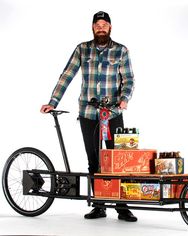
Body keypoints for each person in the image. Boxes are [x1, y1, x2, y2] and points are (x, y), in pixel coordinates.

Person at [40, 11, 137, 222]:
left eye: (104, 24)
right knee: (94, 160)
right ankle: (99, 205)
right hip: (88, 113)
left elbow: (128, 79)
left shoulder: (121, 51)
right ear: (92, 28)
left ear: (110, 27)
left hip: (113, 113)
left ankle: (122, 207)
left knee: (117, 161)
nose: (101, 27)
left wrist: (124, 98)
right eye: (97, 24)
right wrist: (53, 102)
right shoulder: (82, 49)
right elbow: (67, 75)